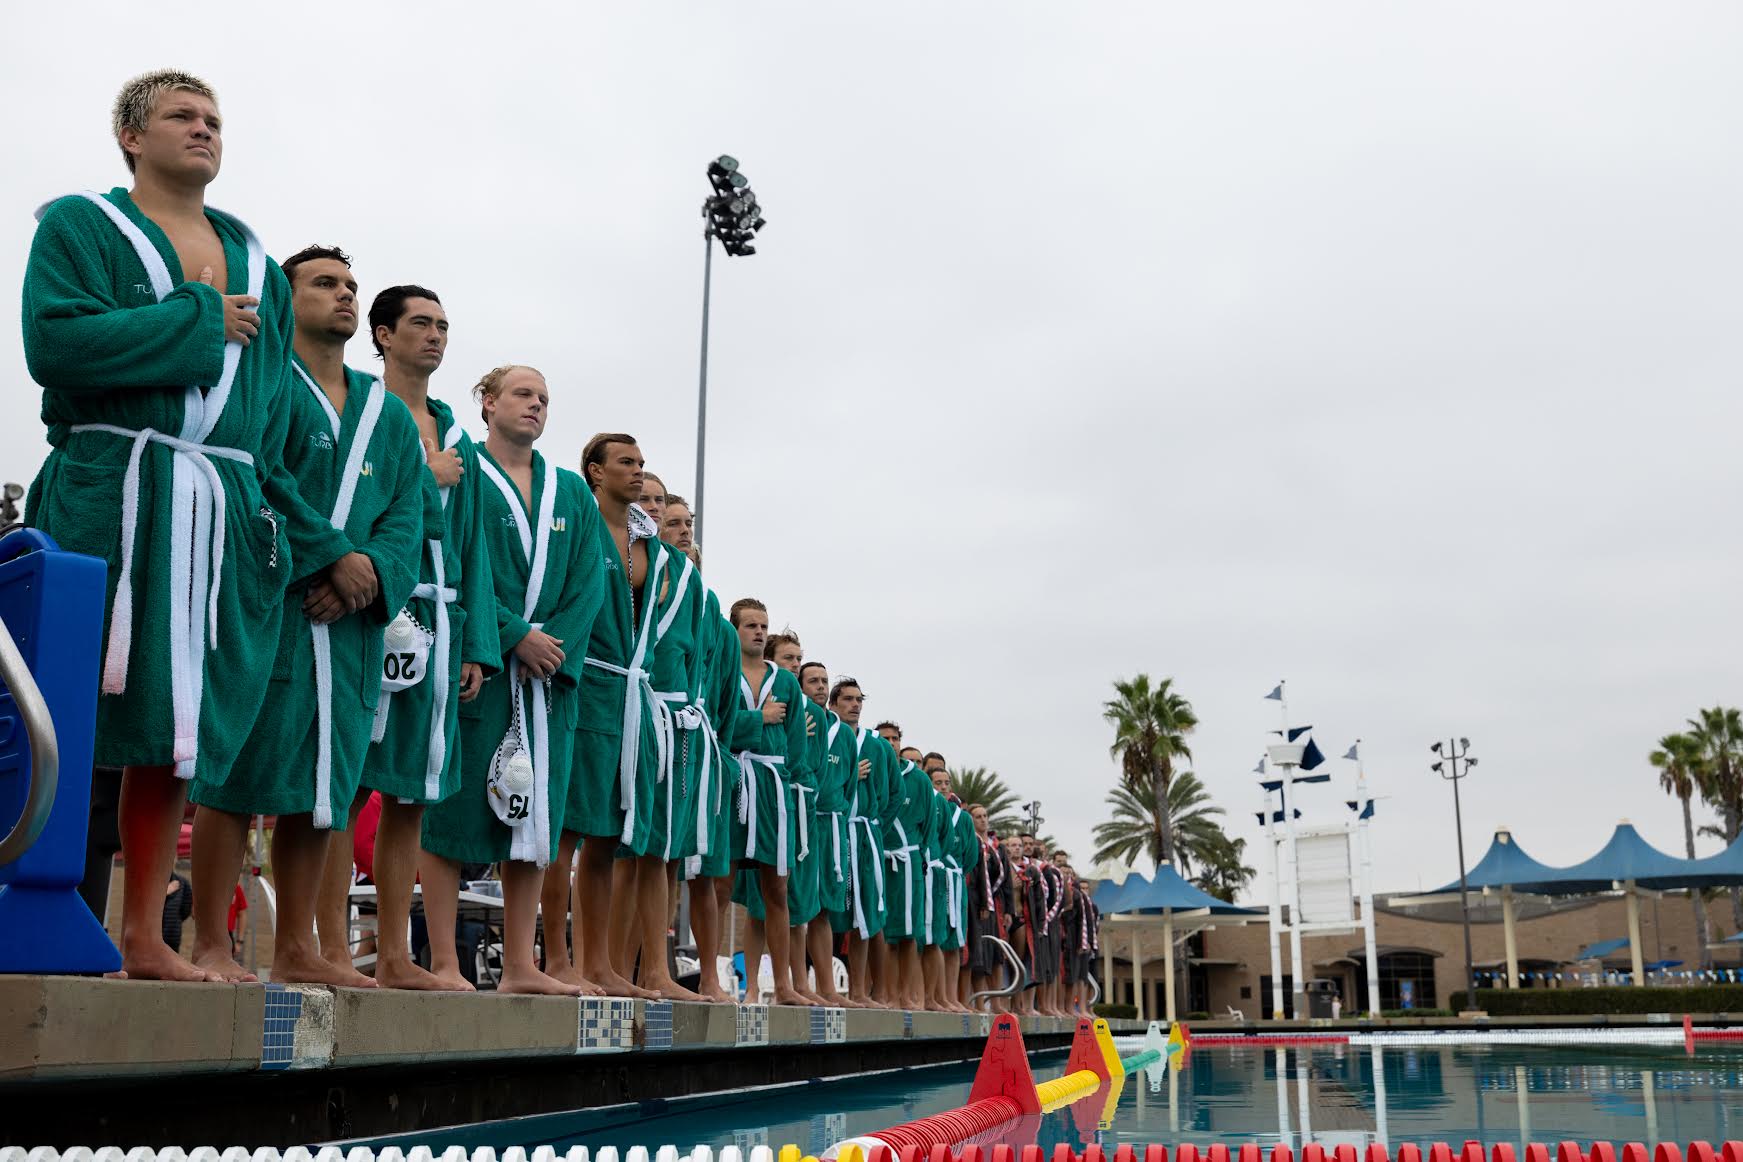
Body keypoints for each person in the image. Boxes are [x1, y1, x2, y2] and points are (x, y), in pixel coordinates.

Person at [23, 70, 350, 980]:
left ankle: (142, 933)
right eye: (182, 116)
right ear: (132, 136)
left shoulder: (255, 260)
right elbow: (55, 345)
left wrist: (283, 531)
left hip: (222, 506)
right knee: (70, 705)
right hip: (112, 485)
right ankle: (40, 905)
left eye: (213, 119)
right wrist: (196, 319)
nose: (204, 129)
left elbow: (271, 422)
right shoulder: (80, 226)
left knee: (178, 730)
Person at [188, 245, 425, 986]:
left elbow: (406, 513)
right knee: (235, 774)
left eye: (351, 284)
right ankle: (211, 944)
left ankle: (297, 946)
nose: (345, 294)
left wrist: (369, 575)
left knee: (322, 787)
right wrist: (326, 556)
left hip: (351, 624)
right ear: (286, 299)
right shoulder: (264, 380)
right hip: (272, 603)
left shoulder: (387, 415)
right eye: (325, 283)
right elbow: (256, 472)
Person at [420, 365, 607, 994]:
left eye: (544, 399)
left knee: (533, 818)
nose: (536, 406)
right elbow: (454, 559)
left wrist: (550, 648)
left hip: (547, 676)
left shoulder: (570, 493)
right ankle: (443, 960)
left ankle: (522, 965)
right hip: (483, 662)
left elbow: (589, 583)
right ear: (488, 403)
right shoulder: (465, 469)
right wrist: (510, 635)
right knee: (450, 813)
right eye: (523, 394)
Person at [356, 284, 498, 991]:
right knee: (350, 783)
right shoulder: (360, 407)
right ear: (383, 335)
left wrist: (474, 644)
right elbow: (353, 503)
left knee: (411, 793)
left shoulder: (456, 434)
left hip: (440, 620)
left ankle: (393, 954)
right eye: (420, 323)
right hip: (374, 603)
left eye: (443, 324)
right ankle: (325, 947)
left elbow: (471, 545)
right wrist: (422, 474)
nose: (436, 334)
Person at [561, 433, 667, 998]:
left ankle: (599, 964)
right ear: (596, 472)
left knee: (606, 837)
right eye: (626, 462)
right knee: (567, 832)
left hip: (628, 697)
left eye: (642, 463)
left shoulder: (650, 546)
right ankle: (563, 962)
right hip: (586, 683)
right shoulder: (579, 522)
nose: (638, 471)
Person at [734, 631, 829, 1005]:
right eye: (789, 658)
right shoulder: (746, 682)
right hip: (755, 791)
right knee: (756, 902)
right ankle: (752, 986)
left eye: (799, 659)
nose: (795, 665)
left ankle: (795, 984)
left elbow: (810, 762)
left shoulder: (814, 715)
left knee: (792, 897)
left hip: (792, 803)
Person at [723, 599, 811, 1006]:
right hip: (735, 780)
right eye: (750, 626)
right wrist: (758, 719)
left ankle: (784, 985)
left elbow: (795, 747)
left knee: (777, 887)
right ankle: (724, 982)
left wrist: (785, 783)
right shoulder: (723, 670)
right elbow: (718, 724)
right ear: (734, 629)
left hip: (773, 787)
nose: (759, 632)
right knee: (722, 880)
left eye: (763, 625)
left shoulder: (786, 683)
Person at [826, 679, 896, 1006]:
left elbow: (893, 793)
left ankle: (859, 990)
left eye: (859, 700)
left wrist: (875, 824)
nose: (855, 705)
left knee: (864, 914)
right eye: (848, 699)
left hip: (865, 835)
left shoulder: (877, 746)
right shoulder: (827, 735)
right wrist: (850, 776)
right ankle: (824, 986)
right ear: (833, 704)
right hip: (833, 829)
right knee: (825, 910)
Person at [881, 732, 933, 1009]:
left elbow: (929, 826)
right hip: (878, 857)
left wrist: (918, 854)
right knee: (882, 931)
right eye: (885, 738)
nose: (890, 743)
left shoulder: (919, 780)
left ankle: (905, 995)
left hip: (908, 860)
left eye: (894, 738)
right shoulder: (873, 766)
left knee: (909, 932)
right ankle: (886, 994)